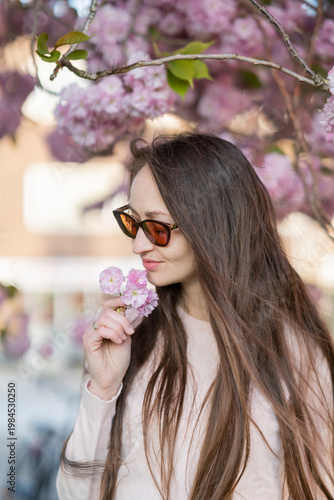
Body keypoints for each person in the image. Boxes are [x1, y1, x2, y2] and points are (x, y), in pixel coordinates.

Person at [56, 132, 334, 500]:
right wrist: (103, 389)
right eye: (133, 223)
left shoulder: (292, 355)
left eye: (157, 228)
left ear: (212, 226)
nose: (138, 245)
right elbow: (76, 495)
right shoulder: (134, 338)